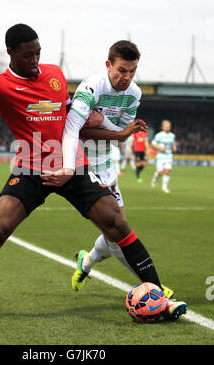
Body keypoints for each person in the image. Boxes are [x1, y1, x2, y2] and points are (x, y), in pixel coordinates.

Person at [0, 25, 186, 321]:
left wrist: (113, 131)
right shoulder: (1, 83)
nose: (35, 60)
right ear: (11, 53)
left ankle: (160, 296)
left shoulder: (55, 74)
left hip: (73, 164)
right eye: (28, 54)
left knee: (116, 223)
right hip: (30, 168)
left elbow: (75, 121)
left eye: (38, 53)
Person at [41, 40, 187, 320]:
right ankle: (154, 289)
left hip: (107, 165)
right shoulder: (92, 87)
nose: (126, 77)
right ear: (108, 65)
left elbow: (122, 133)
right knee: (119, 232)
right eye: (121, 70)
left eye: (132, 71)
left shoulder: (133, 93)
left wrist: (104, 124)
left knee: (116, 232)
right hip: (84, 167)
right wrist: (76, 159)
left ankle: (87, 261)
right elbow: (74, 129)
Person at [151, 120, 177, 193]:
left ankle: (164, 187)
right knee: (160, 173)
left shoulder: (172, 135)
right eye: (166, 126)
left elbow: (173, 143)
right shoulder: (159, 135)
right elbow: (153, 144)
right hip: (161, 156)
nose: (168, 128)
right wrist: (160, 148)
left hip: (169, 156)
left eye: (169, 127)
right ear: (163, 127)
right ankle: (155, 178)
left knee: (167, 171)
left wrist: (174, 147)